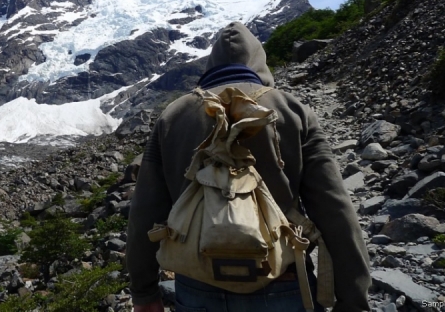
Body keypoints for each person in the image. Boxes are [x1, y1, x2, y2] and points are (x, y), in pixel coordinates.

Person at [126, 22, 370, 312]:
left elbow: (145, 211)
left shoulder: (173, 116)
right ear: (260, 64)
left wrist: (144, 293)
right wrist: (353, 298)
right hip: (282, 278)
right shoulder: (291, 109)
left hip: (197, 284)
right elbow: (334, 207)